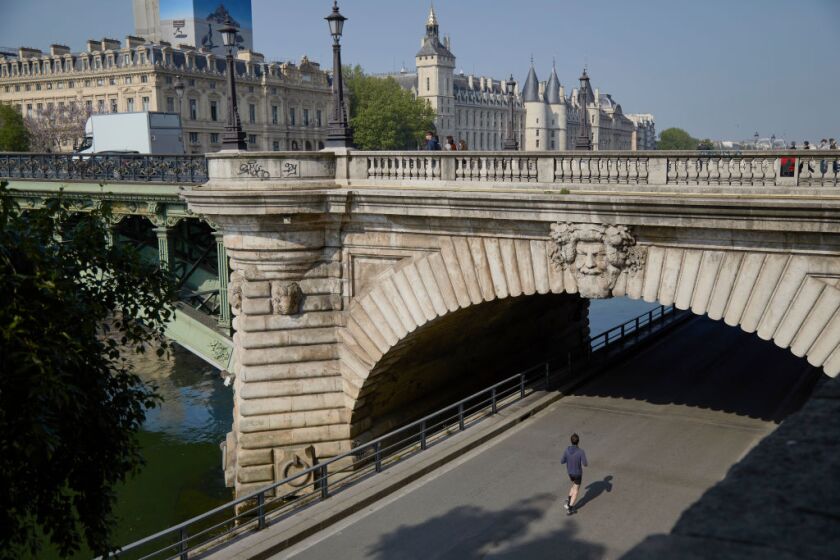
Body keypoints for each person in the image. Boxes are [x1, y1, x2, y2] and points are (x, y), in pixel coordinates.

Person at [561, 433, 588, 515]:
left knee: (574, 485)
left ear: (571, 441)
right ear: (578, 441)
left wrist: (569, 459)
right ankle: (570, 508)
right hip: (578, 473)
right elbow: (585, 464)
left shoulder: (566, 450)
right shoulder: (581, 452)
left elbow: (562, 461)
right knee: (576, 490)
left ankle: (568, 500)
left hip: (570, 473)